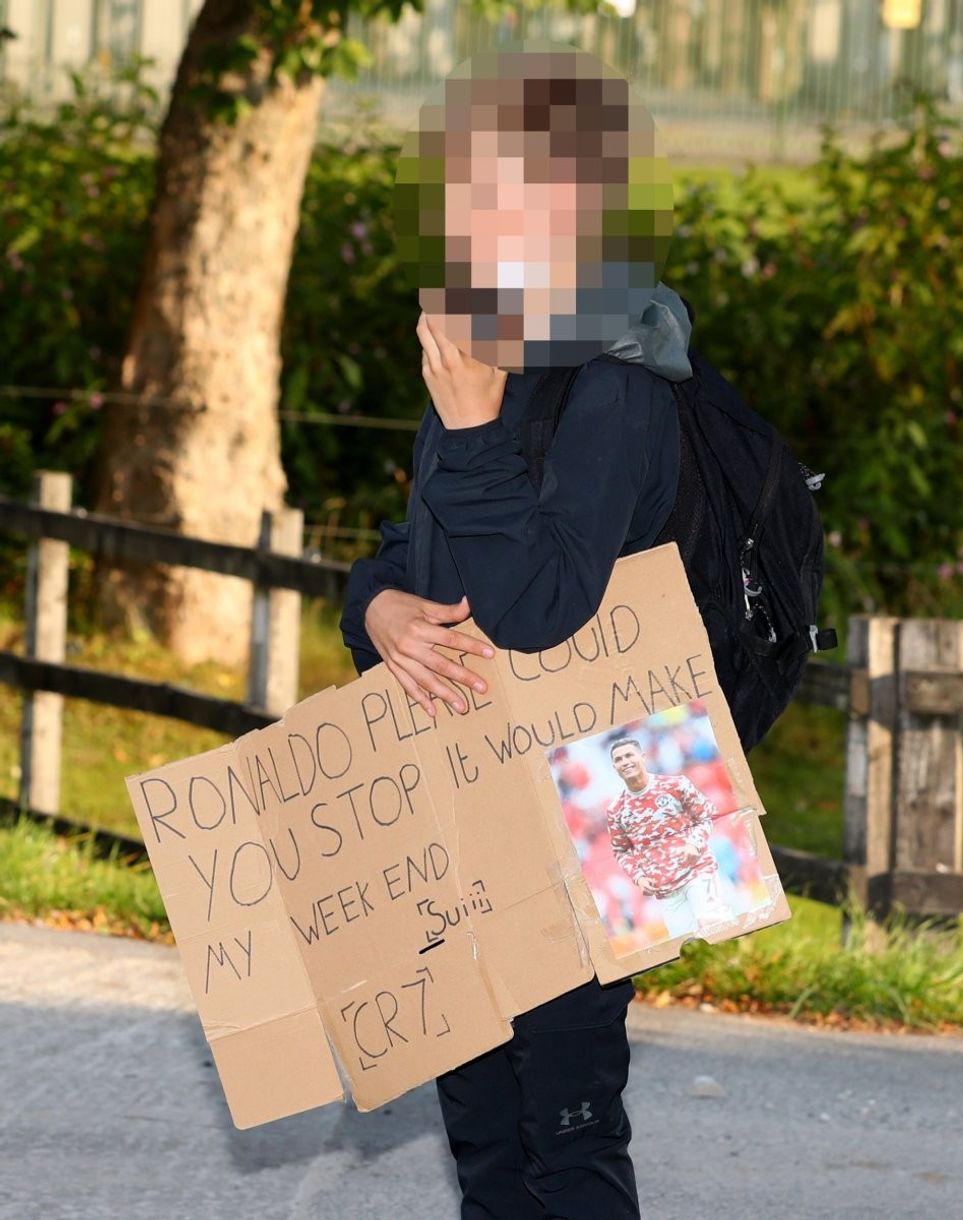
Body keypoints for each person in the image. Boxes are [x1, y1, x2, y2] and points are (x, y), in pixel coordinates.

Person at [339, 41, 691, 1220]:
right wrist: (374, 606)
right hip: (467, 804)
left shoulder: (620, 383)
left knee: (566, 1140)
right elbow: (415, 556)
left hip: (600, 812)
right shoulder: (480, 348)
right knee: (483, 1137)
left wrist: (478, 425)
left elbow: (545, 609)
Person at [606, 738, 735, 940]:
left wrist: (694, 843)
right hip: (666, 890)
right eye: (619, 759)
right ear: (615, 767)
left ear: (643, 757)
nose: (625, 761)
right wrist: (638, 877)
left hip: (697, 872)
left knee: (714, 927)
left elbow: (707, 815)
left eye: (629, 755)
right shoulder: (616, 810)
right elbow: (621, 850)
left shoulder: (675, 785)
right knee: (686, 946)